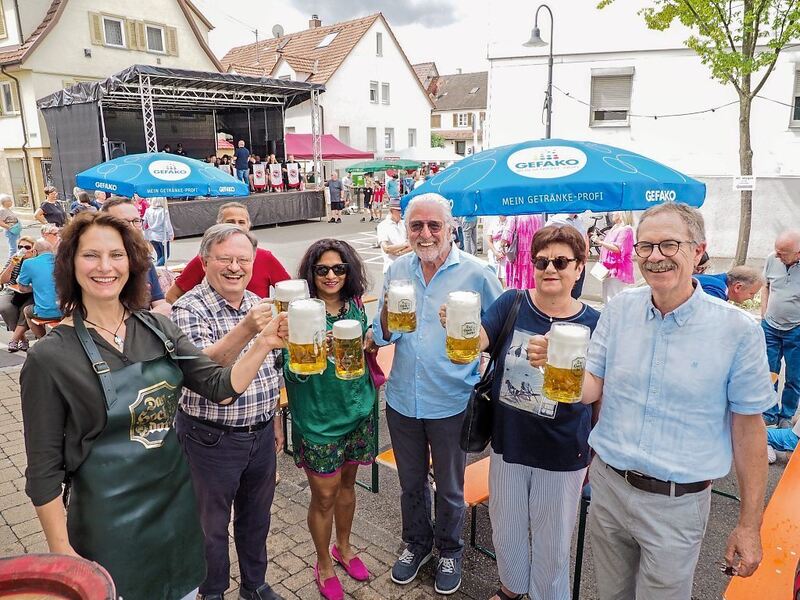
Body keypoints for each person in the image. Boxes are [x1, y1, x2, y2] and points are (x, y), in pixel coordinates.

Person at [20, 213, 288, 600]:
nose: (105, 267)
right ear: (70, 264)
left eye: (116, 254)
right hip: (106, 522)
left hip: (175, 510)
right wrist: (62, 552)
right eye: (91, 255)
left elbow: (219, 387)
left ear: (132, 263)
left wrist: (262, 342)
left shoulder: (156, 328)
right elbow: (43, 471)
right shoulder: (50, 356)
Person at [576, 203, 774, 598]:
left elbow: (749, 431)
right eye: (646, 246)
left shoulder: (736, 330)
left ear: (699, 251)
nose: (655, 257)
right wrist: (554, 366)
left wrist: (750, 525)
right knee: (610, 595)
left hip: (676, 504)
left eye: (669, 245)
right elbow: (590, 389)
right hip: (609, 489)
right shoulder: (618, 310)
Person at [441, 225, 598, 600]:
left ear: (579, 268)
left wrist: (596, 451)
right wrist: (458, 325)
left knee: (552, 543)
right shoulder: (513, 302)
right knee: (507, 529)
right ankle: (511, 589)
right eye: (542, 261)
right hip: (508, 442)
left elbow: (598, 391)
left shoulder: (594, 322)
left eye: (561, 261)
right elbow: (482, 338)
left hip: (562, 450)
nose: (550, 269)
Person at [373, 193, 503, 595]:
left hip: (451, 399)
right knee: (411, 482)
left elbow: (500, 335)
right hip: (402, 399)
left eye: (434, 226)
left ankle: (450, 548)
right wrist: (387, 319)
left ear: (450, 228)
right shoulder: (398, 268)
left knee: (449, 486)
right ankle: (416, 543)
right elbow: (381, 334)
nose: (425, 233)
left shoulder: (478, 273)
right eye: (416, 226)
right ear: (406, 229)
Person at [173, 224, 286, 600]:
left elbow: (273, 369)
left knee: (257, 520)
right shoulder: (188, 307)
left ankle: (254, 585)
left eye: (243, 260)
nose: (235, 267)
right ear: (205, 262)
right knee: (211, 527)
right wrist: (246, 328)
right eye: (225, 259)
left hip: (260, 433)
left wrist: (274, 422)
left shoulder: (259, 303)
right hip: (210, 438)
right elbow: (204, 372)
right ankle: (214, 590)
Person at [283, 239, 376, 600]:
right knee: (324, 496)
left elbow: (368, 344)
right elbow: (282, 365)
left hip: (357, 410)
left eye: (339, 268)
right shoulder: (295, 309)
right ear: (311, 273)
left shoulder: (355, 305)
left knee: (348, 487)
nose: (332, 275)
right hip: (318, 418)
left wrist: (371, 342)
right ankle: (322, 563)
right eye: (322, 269)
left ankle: (344, 547)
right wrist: (301, 362)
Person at [166, 202, 290, 303]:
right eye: (230, 222)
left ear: (249, 225)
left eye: (241, 222)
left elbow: (290, 292)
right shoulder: (206, 259)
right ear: (219, 225)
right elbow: (172, 296)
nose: (236, 226)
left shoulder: (265, 258)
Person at [101, 197, 168, 314]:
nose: (131, 227)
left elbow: (161, 305)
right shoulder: (98, 267)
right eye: (123, 222)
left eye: (136, 221)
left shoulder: (144, 262)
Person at [761, 229, 800, 429]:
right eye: (776, 250)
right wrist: (763, 314)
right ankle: (769, 412)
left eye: (782, 252)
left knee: (795, 376)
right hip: (770, 327)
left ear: (798, 254)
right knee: (768, 372)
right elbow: (766, 285)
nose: (777, 255)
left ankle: (786, 415)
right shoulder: (772, 259)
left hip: (796, 330)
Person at [17, 238, 61, 338]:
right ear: (52, 251)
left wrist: (35, 288)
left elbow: (22, 288)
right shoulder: (63, 261)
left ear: (35, 251)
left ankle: (42, 338)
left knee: (26, 310)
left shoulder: (29, 263)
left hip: (45, 312)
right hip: (68, 310)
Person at [0, 235, 35, 351]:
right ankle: (22, 339)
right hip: (13, 289)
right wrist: (12, 265)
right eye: (20, 247)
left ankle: (14, 340)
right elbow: (3, 280)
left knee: (25, 310)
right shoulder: (15, 259)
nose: (23, 250)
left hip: (31, 292)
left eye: (27, 247)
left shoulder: (37, 260)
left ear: (34, 249)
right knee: (4, 307)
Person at [593, 210, 635, 303]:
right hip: (608, 267)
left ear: (621, 214)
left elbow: (618, 249)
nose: (611, 214)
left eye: (615, 212)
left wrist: (600, 242)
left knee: (614, 297)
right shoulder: (615, 228)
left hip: (617, 267)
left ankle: (616, 316)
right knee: (607, 296)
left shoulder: (626, 229)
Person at [546, 213, 589, 299]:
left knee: (576, 292)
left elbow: (584, 237)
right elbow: (545, 239)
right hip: (564, 262)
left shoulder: (579, 220)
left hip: (579, 261)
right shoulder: (556, 219)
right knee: (562, 291)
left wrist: (585, 255)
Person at [502, 215, 544, 290]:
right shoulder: (539, 216)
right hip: (536, 253)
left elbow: (506, 238)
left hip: (519, 256)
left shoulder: (515, 215)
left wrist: (502, 246)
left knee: (520, 285)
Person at [696, 265, 764, 304]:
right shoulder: (717, 292)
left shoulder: (716, 282)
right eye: (751, 293)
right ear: (738, 287)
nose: (752, 298)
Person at [376, 198, 411, 273]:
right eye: (398, 211)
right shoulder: (383, 226)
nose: (401, 213)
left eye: (402, 211)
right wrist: (405, 245)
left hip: (406, 268)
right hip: (391, 269)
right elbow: (386, 249)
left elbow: (412, 245)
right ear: (391, 211)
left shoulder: (404, 223)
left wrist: (399, 252)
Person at [143, 197, 174, 266]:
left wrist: (143, 230)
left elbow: (144, 222)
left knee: (159, 255)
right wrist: (171, 234)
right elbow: (167, 224)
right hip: (162, 236)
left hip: (151, 235)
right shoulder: (164, 211)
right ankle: (155, 267)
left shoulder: (148, 210)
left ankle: (158, 270)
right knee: (166, 255)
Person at [485, 215, 507, 286]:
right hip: (494, 254)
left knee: (505, 277)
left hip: (506, 254)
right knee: (495, 277)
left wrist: (504, 251)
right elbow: (489, 240)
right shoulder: (493, 222)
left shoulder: (510, 222)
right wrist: (495, 252)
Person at [0, 193, 22, 258]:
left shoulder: (8, 210)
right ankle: (11, 263)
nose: (11, 202)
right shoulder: (2, 210)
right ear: (4, 202)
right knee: (13, 248)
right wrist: (9, 227)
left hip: (15, 230)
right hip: (11, 231)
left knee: (18, 246)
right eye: (9, 201)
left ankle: (16, 261)